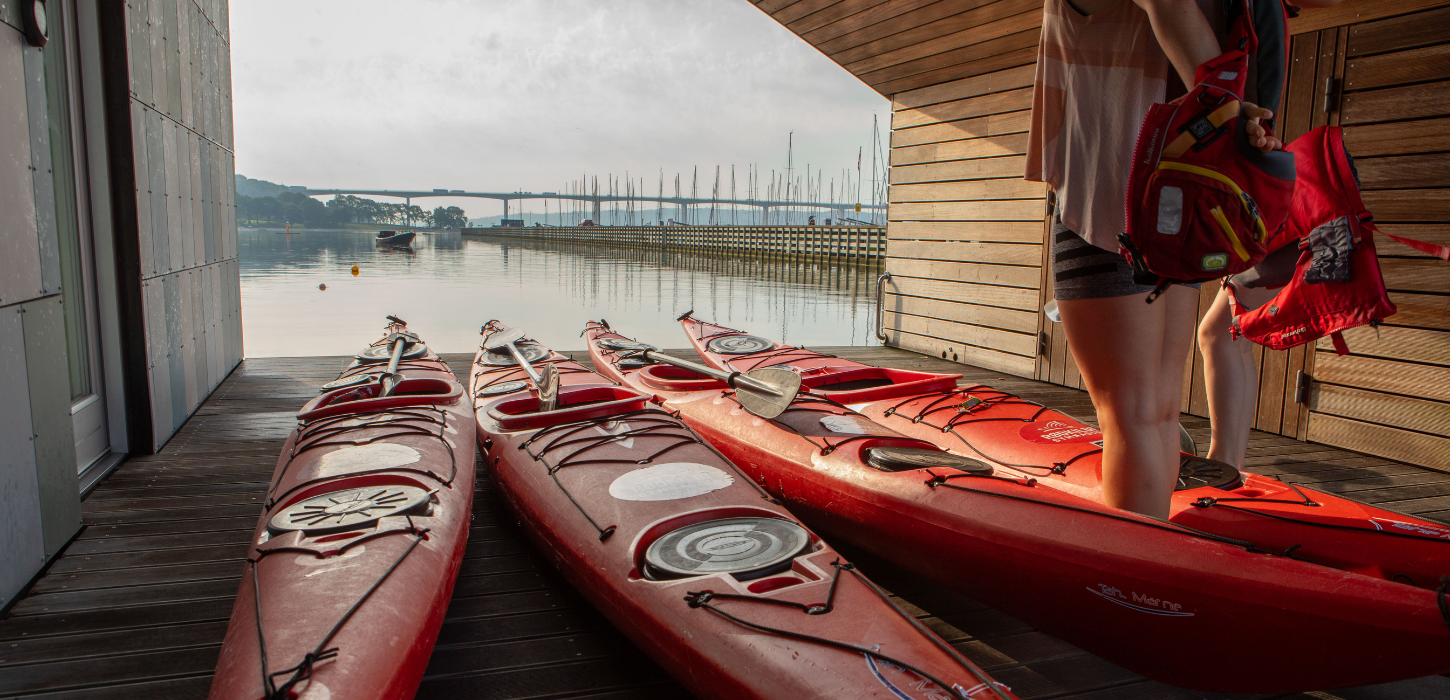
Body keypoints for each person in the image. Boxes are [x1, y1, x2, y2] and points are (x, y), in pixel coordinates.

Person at [1027, 0, 1280, 518]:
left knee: (1132, 414)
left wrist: (1222, 107)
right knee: (1159, 411)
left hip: (1111, 185)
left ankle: (1129, 579)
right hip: (1180, 199)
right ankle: (1153, 542)